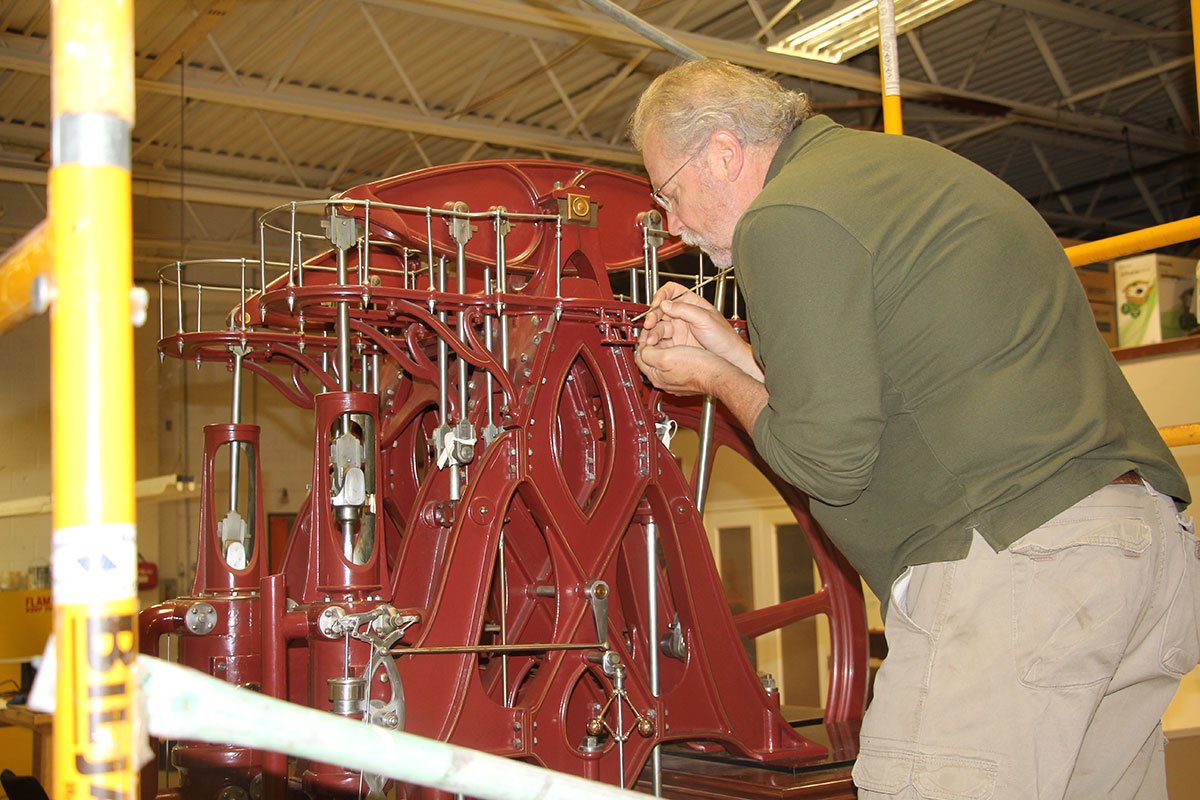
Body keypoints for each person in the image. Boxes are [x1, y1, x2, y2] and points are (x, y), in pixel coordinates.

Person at [630, 59, 1198, 800]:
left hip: (1015, 570)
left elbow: (827, 461)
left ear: (724, 153)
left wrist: (708, 379)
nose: (673, 227)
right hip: (1136, 552)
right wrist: (735, 354)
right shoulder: (892, 172)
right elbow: (890, 387)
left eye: (669, 194)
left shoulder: (786, 214)